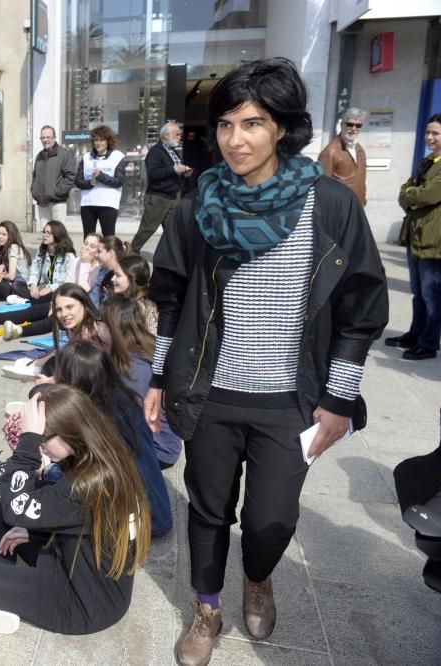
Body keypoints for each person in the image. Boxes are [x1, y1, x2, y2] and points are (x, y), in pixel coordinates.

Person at [145, 58, 387, 665]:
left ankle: (258, 577)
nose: (235, 140)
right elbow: (169, 299)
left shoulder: (329, 205)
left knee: (269, 522)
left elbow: (361, 310)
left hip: (292, 400)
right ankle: (206, 608)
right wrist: (157, 375)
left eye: (252, 123)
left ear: (282, 127)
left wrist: (337, 400)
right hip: (210, 392)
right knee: (207, 509)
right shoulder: (197, 205)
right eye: (224, 125)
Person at [0, 385, 150, 635]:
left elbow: (18, 508)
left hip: (82, 605)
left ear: (69, 433)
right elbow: (65, 516)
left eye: (42, 439)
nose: (40, 447)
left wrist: (27, 443)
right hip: (79, 565)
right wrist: (38, 534)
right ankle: (1, 586)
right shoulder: (103, 457)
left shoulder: (85, 487)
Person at [53, 340, 172, 536]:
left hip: (141, 521)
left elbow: (81, 477)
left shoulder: (94, 420)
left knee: (51, 479)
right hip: (158, 509)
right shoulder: (124, 399)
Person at [102, 295, 183, 469]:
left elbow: (132, 421)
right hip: (161, 443)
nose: (97, 327)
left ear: (113, 327)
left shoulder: (132, 368)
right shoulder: (143, 349)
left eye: (101, 322)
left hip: (157, 448)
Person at [390, 113, 441, 361]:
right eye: (428, 132)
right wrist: (412, 193)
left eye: (436, 134)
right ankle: (415, 334)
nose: (430, 138)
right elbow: (404, 193)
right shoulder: (427, 162)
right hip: (415, 236)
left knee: (432, 296)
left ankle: (429, 343)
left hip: (434, 241)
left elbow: (428, 195)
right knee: (418, 293)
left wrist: (412, 194)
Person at [130, 122, 192, 254]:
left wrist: (184, 172)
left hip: (173, 196)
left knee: (172, 231)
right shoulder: (156, 152)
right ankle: (130, 253)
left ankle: (173, 258)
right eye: (177, 134)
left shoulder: (173, 151)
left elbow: (173, 171)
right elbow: (153, 173)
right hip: (158, 197)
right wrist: (173, 169)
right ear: (165, 136)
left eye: (180, 134)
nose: (180, 137)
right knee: (147, 229)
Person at [75, 125, 125, 236]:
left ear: (108, 141)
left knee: (108, 239)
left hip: (108, 204)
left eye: (102, 140)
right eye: (96, 140)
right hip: (88, 204)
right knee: (88, 239)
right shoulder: (86, 157)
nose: (98, 143)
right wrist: (90, 183)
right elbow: (78, 181)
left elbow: (119, 181)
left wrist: (101, 176)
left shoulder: (117, 156)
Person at [318, 108, 368, 206]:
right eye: (349, 124)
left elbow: (361, 178)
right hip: (339, 207)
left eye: (358, 125)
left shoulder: (359, 149)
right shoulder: (330, 151)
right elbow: (322, 186)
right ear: (342, 125)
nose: (354, 129)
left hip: (358, 205)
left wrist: (363, 200)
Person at [31, 126, 77, 226]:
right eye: (43, 138)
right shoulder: (39, 156)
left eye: (48, 137)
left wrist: (57, 192)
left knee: (59, 235)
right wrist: (34, 191)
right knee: (46, 235)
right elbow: (35, 176)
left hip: (57, 202)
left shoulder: (65, 155)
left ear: (54, 138)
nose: (45, 140)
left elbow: (70, 177)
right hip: (42, 203)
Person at [111, 255, 157, 333]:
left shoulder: (140, 309)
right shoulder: (127, 302)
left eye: (118, 275)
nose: (112, 279)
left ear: (132, 278)